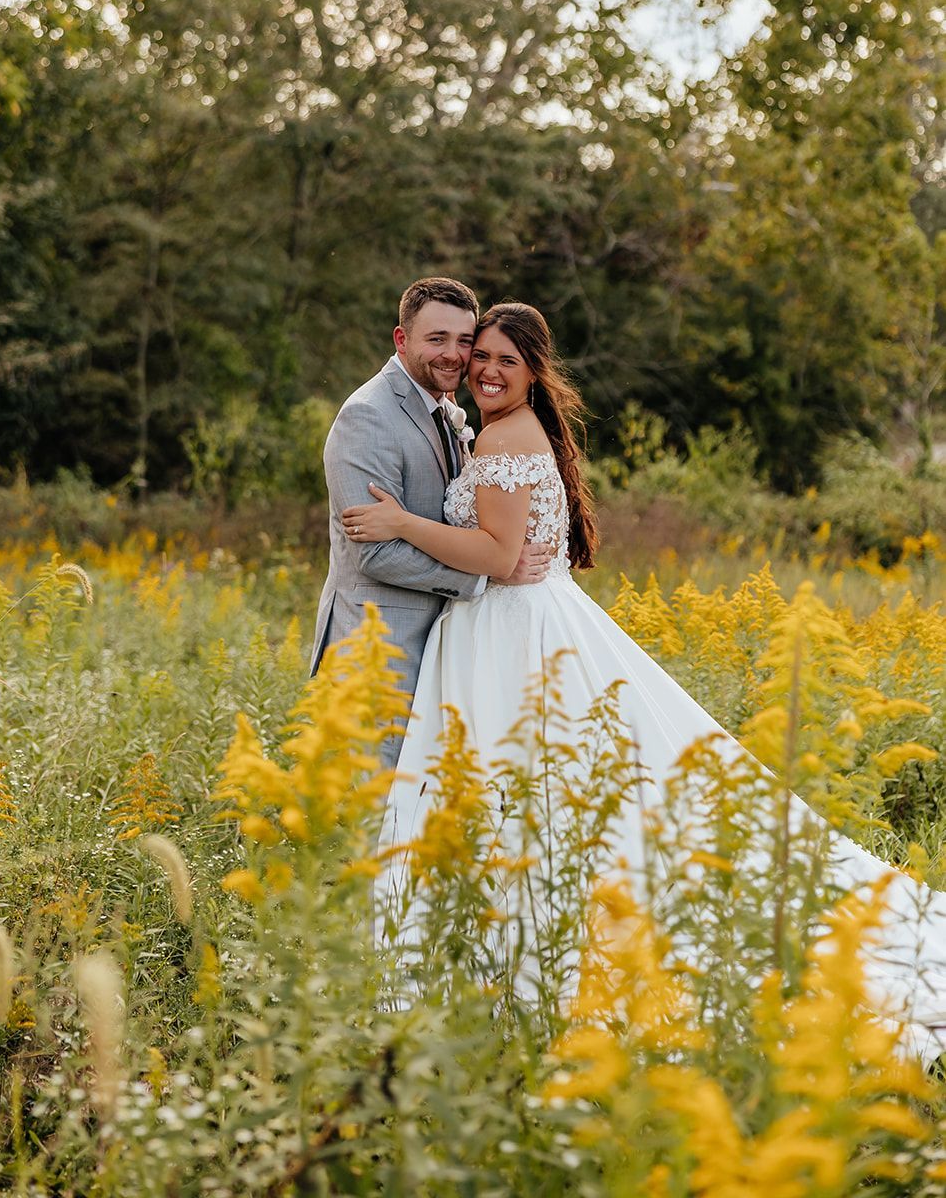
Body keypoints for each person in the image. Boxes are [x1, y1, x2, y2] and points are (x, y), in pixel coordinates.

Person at [343, 301, 946, 1058]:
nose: (486, 369)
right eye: (478, 356)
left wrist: (401, 524)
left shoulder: (502, 434)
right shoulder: (498, 428)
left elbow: (498, 557)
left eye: (504, 358)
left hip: (513, 628)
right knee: (535, 785)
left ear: (533, 371)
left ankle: (529, 955)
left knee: (534, 784)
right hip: (512, 621)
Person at [312, 278, 552, 767]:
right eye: (436, 339)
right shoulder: (368, 416)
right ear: (401, 339)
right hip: (381, 649)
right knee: (380, 814)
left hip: (447, 645)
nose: (453, 355)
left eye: (465, 342)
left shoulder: (449, 410)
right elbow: (373, 553)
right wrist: (490, 571)